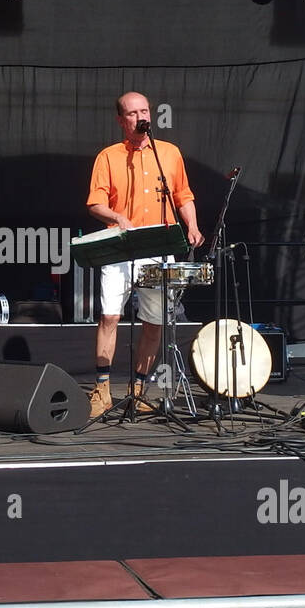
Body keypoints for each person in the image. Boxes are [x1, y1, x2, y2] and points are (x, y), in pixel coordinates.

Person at [86, 91, 203, 417]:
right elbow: (95, 202)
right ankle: (102, 390)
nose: (141, 117)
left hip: (159, 247)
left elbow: (183, 194)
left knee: (154, 322)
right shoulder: (109, 156)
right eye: (133, 113)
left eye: (144, 111)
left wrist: (191, 224)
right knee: (110, 316)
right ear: (121, 120)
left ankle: (138, 391)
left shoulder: (168, 153)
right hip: (121, 246)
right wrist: (116, 217)